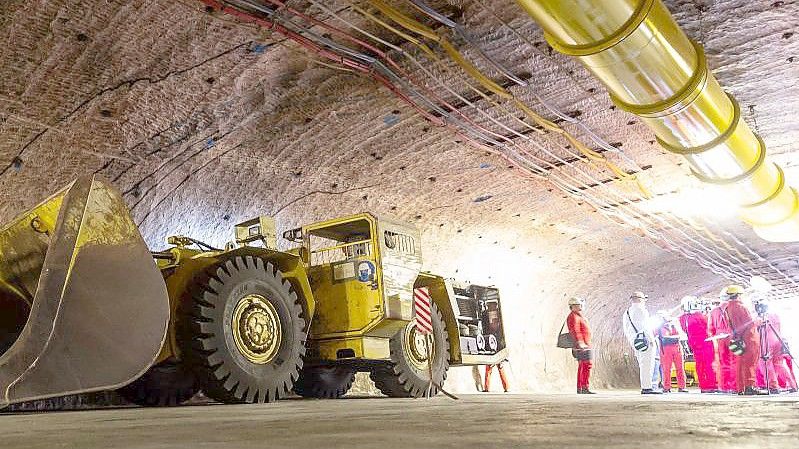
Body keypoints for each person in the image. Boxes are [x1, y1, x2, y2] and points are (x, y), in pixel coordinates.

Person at [724, 285, 765, 395]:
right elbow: (749, 323)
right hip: (749, 337)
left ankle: (741, 388)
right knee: (750, 362)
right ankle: (750, 387)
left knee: (741, 363)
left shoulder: (728, 308)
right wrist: (759, 321)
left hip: (738, 338)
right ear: (738, 295)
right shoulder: (741, 307)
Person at [623, 291, 661, 394]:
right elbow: (646, 327)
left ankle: (646, 385)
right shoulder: (641, 310)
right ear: (641, 299)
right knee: (647, 364)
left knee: (642, 363)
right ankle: (647, 387)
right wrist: (651, 340)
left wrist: (631, 339)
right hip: (645, 340)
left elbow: (625, 328)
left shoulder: (627, 312)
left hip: (635, 341)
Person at [679, 296, 718, 393]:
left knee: (700, 364)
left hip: (694, 343)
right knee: (708, 364)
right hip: (705, 342)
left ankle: (703, 385)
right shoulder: (698, 316)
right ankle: (711, 384)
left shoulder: (683, 318)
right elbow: (709, 325)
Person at [708, 294, 736, 394]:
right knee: (734, 361)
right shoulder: (734, 307)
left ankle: (723, 387)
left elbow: (710, 328)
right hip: (733, 337)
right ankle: (734, 386)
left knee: (722, 363)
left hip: (720, 338)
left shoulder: (713, 311)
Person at [566, 297, 594, 394]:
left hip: (585, 344)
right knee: (585, 364)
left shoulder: (578, 316)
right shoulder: (574, 316)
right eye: (577, 305)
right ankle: (583, 387)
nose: (580, 306)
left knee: (585, 365)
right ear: (572, 306)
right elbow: (575, 331)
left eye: (580, 305)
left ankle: (583, 387)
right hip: (582, 345)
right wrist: (580, 343)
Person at [657, 313, 688, 393]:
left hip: (677, 347)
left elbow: (682, 334)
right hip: (666, 348)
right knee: (666, 369)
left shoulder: (675, 324)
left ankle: (682, 386)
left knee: (680, 368)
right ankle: (667, 387)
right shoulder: (659, 327)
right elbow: (654, 334)